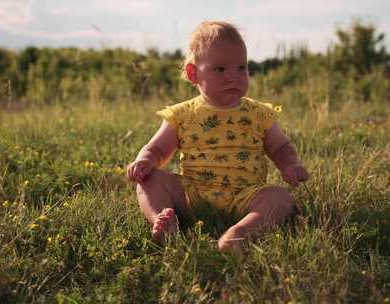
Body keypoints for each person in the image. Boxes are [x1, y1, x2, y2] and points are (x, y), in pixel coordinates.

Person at [126, 20, 308, 252]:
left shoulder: (259, 113)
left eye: (241, 68)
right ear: (194, 74)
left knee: (280, 198)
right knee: (149, 181)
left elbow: (280, 147)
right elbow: (158, 149)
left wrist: (290, 164)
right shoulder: (182, 114)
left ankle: (240, 233)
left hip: (246, 196)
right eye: (220, 69)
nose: (233, 76)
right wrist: (145, 161)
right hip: (193, 194)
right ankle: (164, 222)